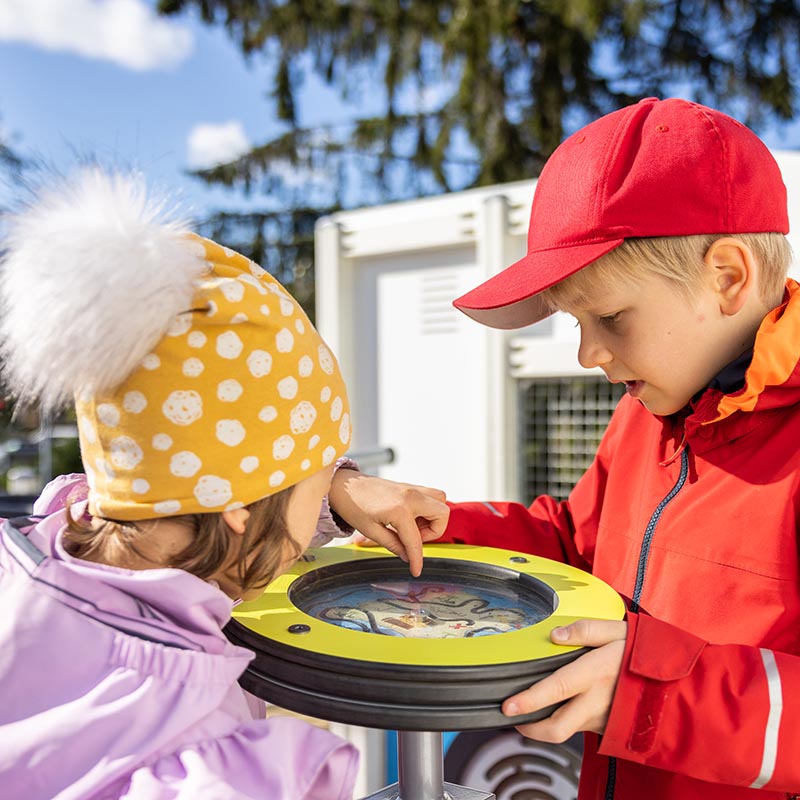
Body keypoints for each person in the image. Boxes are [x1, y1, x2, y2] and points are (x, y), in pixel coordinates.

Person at [0, 167, 449, 800]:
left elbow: (200, 483)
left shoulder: (37, 551)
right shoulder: (201, 759)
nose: (322, 493)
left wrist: (337, 492)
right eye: (312, 479)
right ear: (235, 505)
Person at [438, 97, 800, 798]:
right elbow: (578, 550)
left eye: (609, 317)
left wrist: (654, 693)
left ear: (727, 277)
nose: (587, 353)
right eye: (577, 322)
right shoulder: (649, 414)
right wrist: (438, 525)